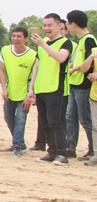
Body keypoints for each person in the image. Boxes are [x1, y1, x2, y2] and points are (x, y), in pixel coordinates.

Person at [29, 14, 71, 165]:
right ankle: (51, 152)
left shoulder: (65, 43)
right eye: (44, 25)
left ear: (59, 26)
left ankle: (62, 154)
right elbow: (37, 65)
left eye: (49, 25)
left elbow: (61, 58)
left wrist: (43, 45)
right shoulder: (43, 43)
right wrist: (31, 87)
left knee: (55, 122)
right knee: (44, 122)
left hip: (55, 88)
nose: (46, 29)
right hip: (41, 88)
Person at [0, 27, 36, 157]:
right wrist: (4, 88)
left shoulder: (33, 55)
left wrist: (30, 95)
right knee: (8, 118)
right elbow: (2, 71)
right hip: (10, 92)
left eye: (19, 36)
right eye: (13, 36)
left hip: (24, 94)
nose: (15, 39)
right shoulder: (5, 50)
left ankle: (18, 146)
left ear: (25, 39)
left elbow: (34, 77)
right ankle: (19, 142)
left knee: (21, 119)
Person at [65, 10, 96, 160]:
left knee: (86, 119)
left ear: (74, 24)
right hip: (74, 84)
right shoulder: (81, 41)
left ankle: (92, 149)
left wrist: (75, 69)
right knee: (70, 116)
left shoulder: (89, 40)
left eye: (68, 23)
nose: (67, 26)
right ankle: (71, 147)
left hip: (83, 85)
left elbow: (91, 63)